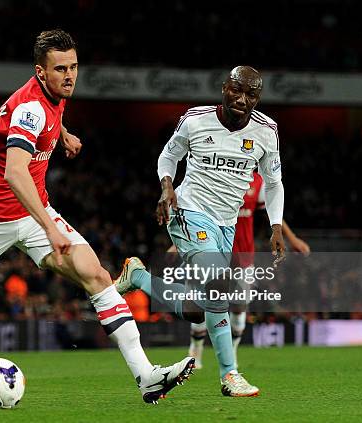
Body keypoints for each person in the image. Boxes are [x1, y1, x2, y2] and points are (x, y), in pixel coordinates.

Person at [0, 29, 194, 404]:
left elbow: (47, 121)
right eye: (60, 69)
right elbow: (14, 172)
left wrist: (63, 134)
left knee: (97, 275)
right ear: (41, 73)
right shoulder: (30, 108)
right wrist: (48, 227)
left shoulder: (52, 96)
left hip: (32, 210)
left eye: (73, 66)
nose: (70, 75)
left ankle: (146, 376)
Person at [115, 66, 284, 397]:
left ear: (258, 98)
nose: (242, 98)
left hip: (226, 224)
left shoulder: (267, 131)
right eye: (237, 89)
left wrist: (275, 226)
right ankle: (229, 375)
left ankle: (137, 277)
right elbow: (169, 156)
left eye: (251, 94)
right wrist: (167, 187)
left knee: (199, 308)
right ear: (224, 88)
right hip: (188, 211)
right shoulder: (195, 119)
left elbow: (275, 183)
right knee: (219, 283)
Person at [187, 171, 311, 369]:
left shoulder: (257, 181)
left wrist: (291, 238)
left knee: (239, 307)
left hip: (244, 256)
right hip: (214, 251)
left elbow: (272, 210)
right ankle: (195, 350)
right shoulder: (213, 174)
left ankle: (232, 354)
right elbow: (194, 212)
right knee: (205, 303)